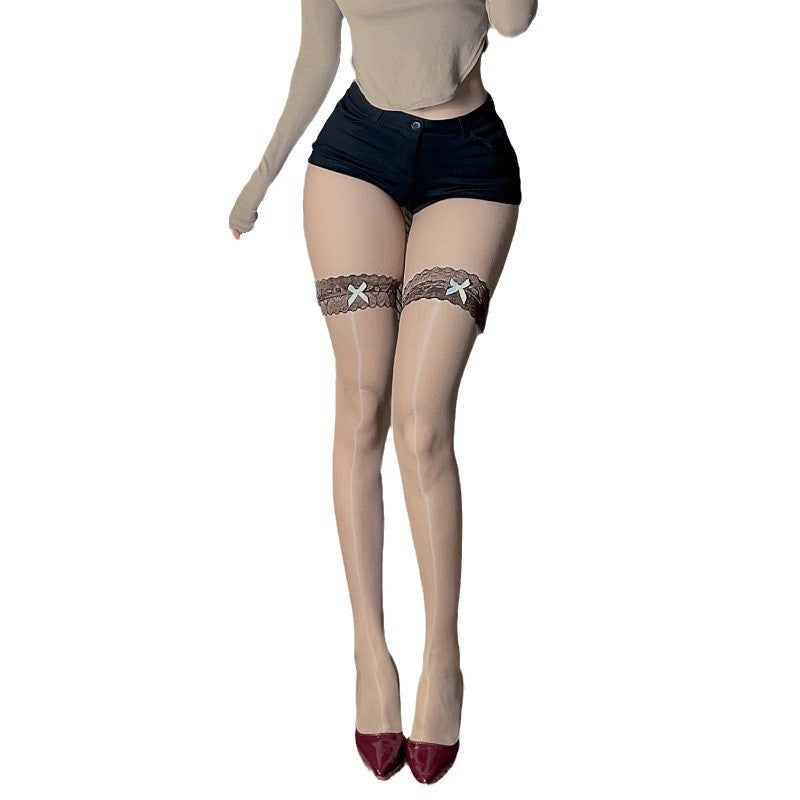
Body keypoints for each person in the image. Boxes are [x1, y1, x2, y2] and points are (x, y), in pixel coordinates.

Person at [229, 0, 537, 784]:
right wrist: (261, 177)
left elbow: (513, 22)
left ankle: (442, 658)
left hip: (468, 164)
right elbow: (317, 56)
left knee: (421, 421)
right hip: (355, 157)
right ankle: (370, 654)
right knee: (362, 403)